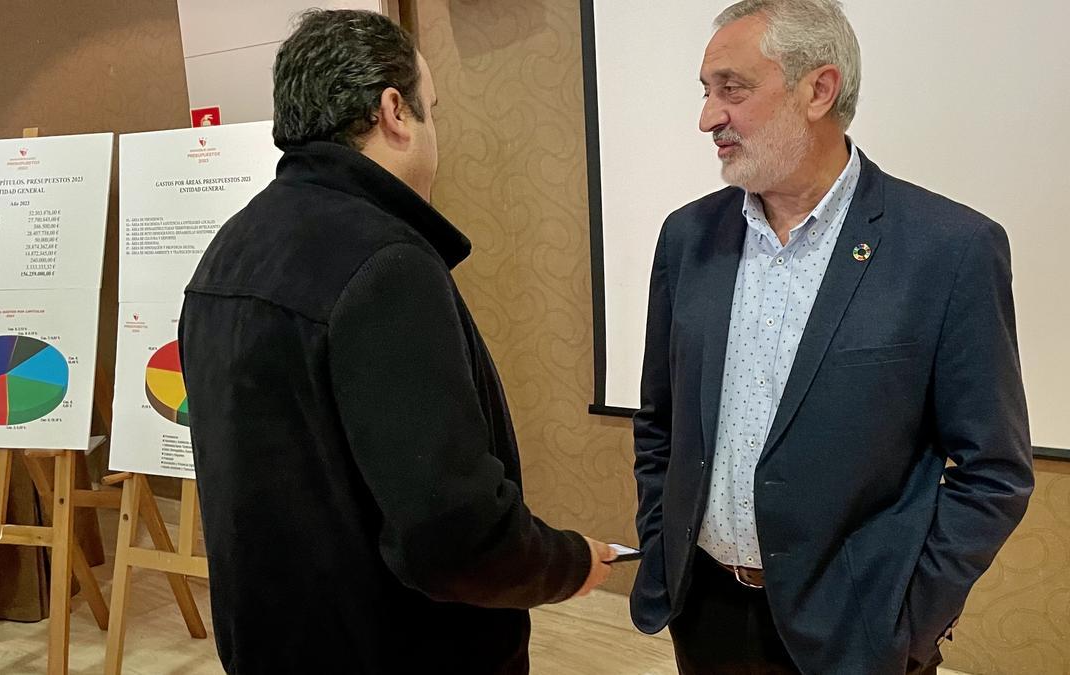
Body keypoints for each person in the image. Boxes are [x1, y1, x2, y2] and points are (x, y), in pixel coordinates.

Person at [179, 10, 613, 674]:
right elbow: (454, 537)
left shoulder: (226, 251)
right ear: (393, 111)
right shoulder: (386, 264)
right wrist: (568, 562)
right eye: (430, 109)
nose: (436, 133)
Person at [629, 1, 1033, 673]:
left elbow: (994, 469)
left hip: (856, 634)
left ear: (818, 89)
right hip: (705, 613)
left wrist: (908, 616)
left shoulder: (949, 249)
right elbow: (660, 423)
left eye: (733, 88)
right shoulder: (687, 237)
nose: (707, 117)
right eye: (706, 91)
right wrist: (661, 544)